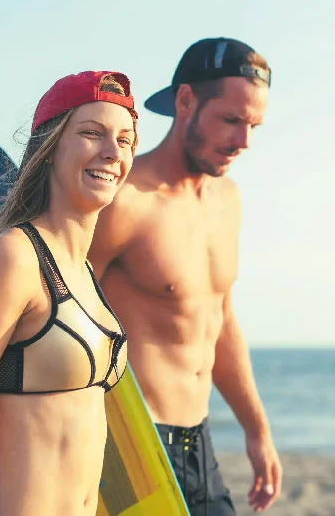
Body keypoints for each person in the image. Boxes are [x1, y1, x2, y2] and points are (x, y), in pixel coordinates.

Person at [88, 38, 283, 515]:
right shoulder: (124, 200)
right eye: (231, 120)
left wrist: (256, 430)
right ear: (186, 101)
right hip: (132, 445)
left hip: (200, 442)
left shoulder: (227, 200)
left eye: (254, 126)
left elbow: (219, 321)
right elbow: (57, 314)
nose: (244, 141)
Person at [0, 70, 138, 516]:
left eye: (125, 140)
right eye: (92, 133)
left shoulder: (83, 271)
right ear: (49, 149)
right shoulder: (13, 259)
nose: (112, 151)